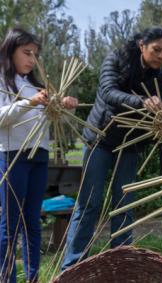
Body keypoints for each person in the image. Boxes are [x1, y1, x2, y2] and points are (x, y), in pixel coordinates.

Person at [61, 27, 162, 270]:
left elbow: (153, 121)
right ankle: (73, 267)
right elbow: (108, 93)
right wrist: (143, 102)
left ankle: (121, 265)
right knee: (89, 203)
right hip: (100, 139)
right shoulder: (116, 59)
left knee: (124, 203)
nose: (161, 57)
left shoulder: (160, 79)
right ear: (142, 44)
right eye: (156, 50)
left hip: (130, 145)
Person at [0, 28, 78, 283]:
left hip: (39, 157)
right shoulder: (3, 81)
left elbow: (49, 118)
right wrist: (30, 103)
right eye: (27, 53)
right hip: (12, 157)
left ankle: (33, 278)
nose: (32, 59)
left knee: (32, 222)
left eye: (35, 54)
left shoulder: (35, 85)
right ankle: (6, 277)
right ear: (10, 51)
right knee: (10, 224)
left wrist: (61, 105)